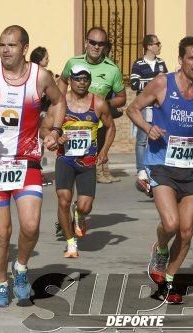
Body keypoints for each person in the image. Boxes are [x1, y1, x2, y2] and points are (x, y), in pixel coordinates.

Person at [0, 25, 66, 307]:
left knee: (30, 226)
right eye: (2, 44)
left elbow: (59, 101)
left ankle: (20, 268)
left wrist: (54, 130)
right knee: (2, 231)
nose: (5, 50)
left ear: (24, 48)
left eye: (11, 45)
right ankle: (1, 283)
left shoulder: (40, 77)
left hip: (27, 159)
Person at [126, 36, 193, 304]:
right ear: (181, 60)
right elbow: (133, 108)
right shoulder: (162, 83)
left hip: (192, 167)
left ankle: (169, 281)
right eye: (191, 58)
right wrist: (149, 129)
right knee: (171, 224)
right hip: (162, 163)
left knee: (186, 231)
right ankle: (160, 249)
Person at [49, 64, 115, 258]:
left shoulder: (99, 103)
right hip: (65, 159)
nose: (81, 82)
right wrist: (55, 136)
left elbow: (111, 127)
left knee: (85, 206)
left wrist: (104, 151)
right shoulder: (59, 104)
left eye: (85, 79)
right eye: (77, 78)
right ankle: (71, 244)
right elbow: (44, 128)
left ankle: (79, 215)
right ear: (70, 80)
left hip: (87, 162)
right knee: (63, 200)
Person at [58, 27, 126, 184]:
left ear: (105, 46)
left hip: (96, 123)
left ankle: (94, 182)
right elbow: (62, 80)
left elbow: (122, 98)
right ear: (86, 42)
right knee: (66, 172)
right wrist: (60, 101)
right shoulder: (73, 62)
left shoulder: (112, 70)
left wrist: (101, 104)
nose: (96, 47)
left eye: (101, 43)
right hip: (71, 120)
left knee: (87, 169)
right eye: (93, 42)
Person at [130, 34, 168, 192]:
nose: (159, 46)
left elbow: (165, 81)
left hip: (159, 106)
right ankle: (141, 172)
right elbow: (134, 84)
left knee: (159, 137)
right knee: (142, 139)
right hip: (144, 106)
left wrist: (156, 81)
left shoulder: (161, 63)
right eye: (157, 43)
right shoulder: (138, 63)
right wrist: (154, 81)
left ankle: (157, 168)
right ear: (149, 46)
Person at [30, 46, 54, 186]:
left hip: (41, 114)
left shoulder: (37, 73)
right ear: (40, 60)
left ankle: (38, 173)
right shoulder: (38, 75)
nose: (48, 60)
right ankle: (36, 175)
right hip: (36, 115)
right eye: (46, 58)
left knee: (39, 146)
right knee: (37, 146)